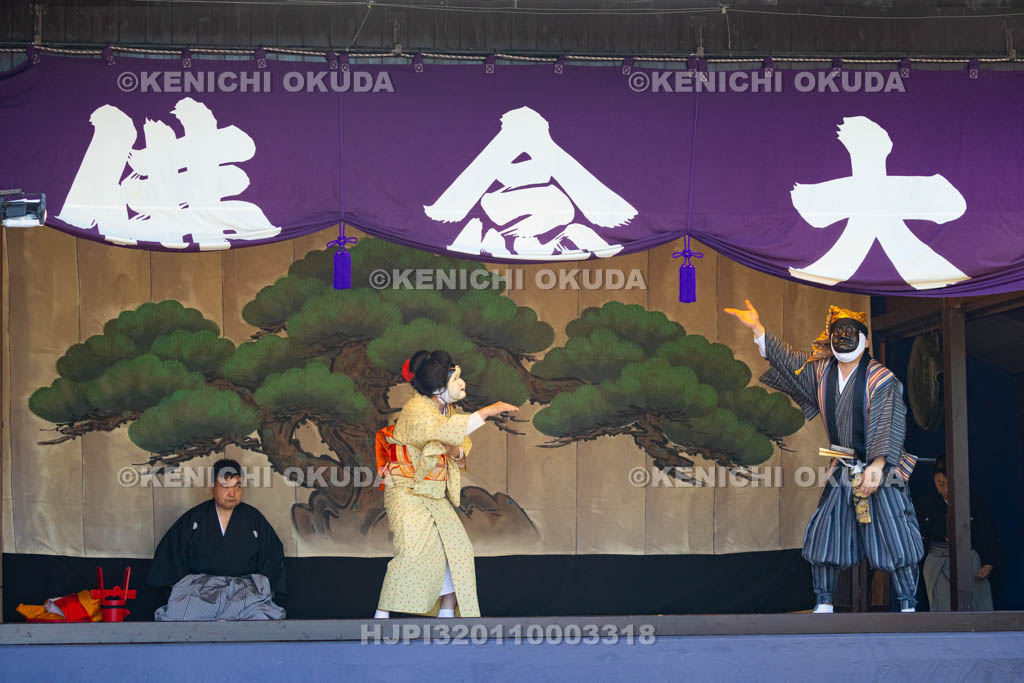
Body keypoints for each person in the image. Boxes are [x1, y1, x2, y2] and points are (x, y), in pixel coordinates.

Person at [724, 300, 924, 613]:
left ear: (865, 341)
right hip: (842, 465)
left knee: (895, 531)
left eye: (851, 332)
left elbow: (889, 420)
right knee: (825, 531)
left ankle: (908, 604)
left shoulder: (882, 379)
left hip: (882, 468)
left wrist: (878, 464)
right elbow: (790, 363)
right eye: (838, 332)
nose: (843, 337)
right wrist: (758, 329)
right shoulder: (821, 372)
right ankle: (824, 601)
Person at [374, 349, 519, 619]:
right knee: (412, 552)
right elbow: (445, 431)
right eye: (455, 379)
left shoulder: (446, 410)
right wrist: (487, 412)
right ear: (437, 387)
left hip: (433, 493)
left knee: (457, 550)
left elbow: (457, 444)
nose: (462, 384)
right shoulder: (416, 409)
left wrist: (456, 451)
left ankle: (447, 615)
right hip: (407, 491)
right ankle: (381, 617)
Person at [147, 458, 287, 621]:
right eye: (225, 486)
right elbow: (170, 554)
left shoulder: (254, 519)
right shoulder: (194, 519)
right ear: (212, 486)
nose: (232, 493)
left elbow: (273, 554)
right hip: (200, 592)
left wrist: (260, 586)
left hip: (244, 592)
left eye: (237, 486)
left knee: (263, 615)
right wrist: (181, 587)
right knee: (178, 614)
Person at [916, 455, 1001, 610]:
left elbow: (988, 534)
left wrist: (989, 563)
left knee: (978, 606)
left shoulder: (974, 503)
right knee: (942, 609)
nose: (946, 489)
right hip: (938, 559)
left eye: (950, 484)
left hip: (969, 558)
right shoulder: (925, 504)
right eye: (940, 484)